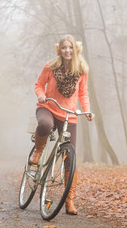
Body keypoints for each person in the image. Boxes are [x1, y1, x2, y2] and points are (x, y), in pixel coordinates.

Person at [30, 34, 95, 215]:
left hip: (69, 115)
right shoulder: (51, 67)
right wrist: (40, 95)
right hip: (48, 107)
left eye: (70, 47)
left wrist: (87, 110)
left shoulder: (82, 69)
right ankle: (38, 151)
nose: (67, 50)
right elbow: (38, 84)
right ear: (59, 49)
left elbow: (83, 93)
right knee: (44, 125)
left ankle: (69, 202)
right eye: (64, 47)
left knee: (70, 159)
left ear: (75, 49)